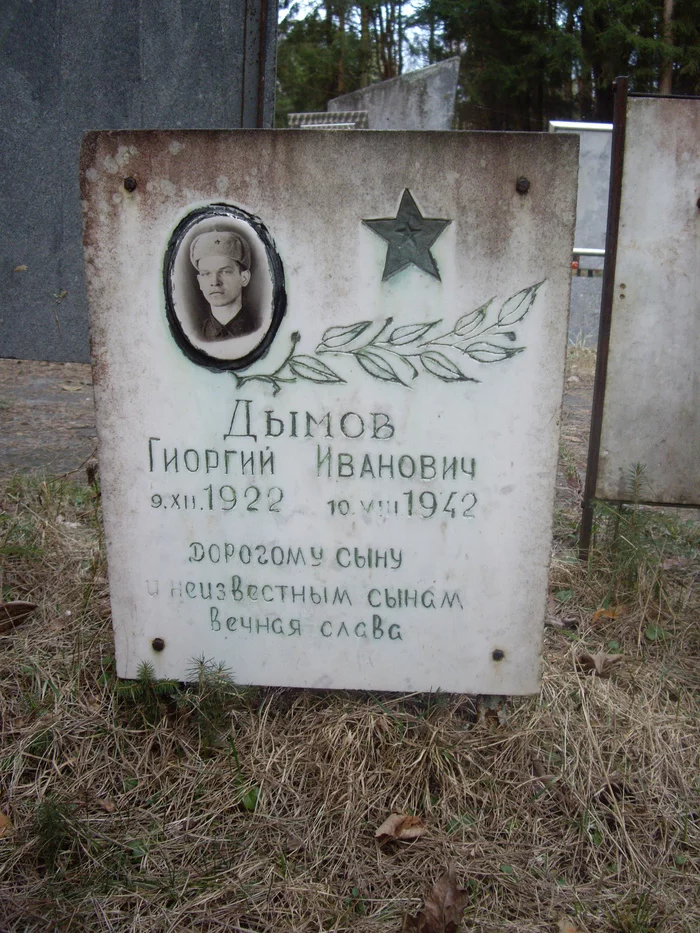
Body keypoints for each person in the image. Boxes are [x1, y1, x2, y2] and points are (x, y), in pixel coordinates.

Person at [189, 230, 257, 341]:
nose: (215, 282)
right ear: (200, 282)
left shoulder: (260, 330)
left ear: (244, 278)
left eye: (225, 272)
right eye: (206, 274)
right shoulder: (192, 336)